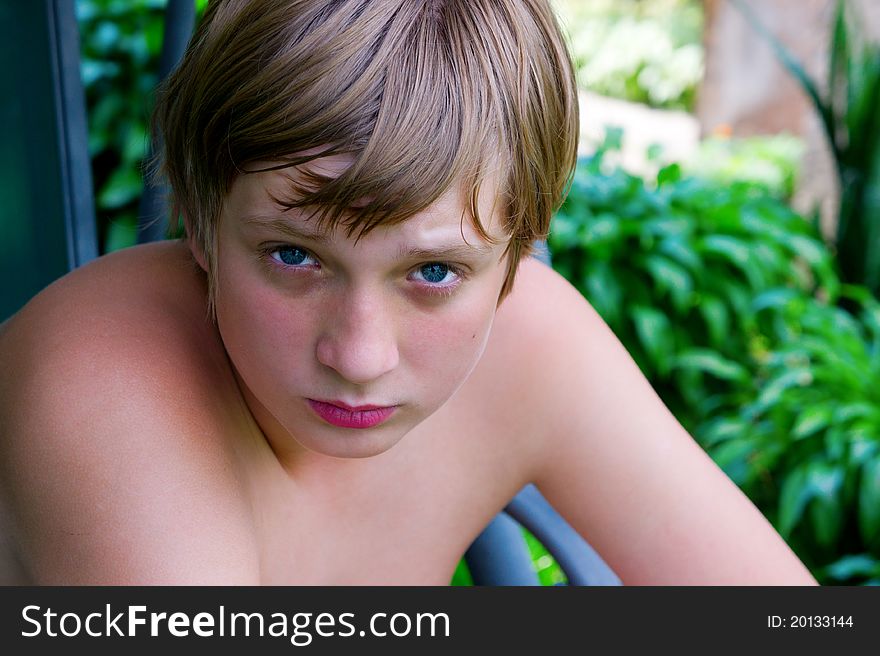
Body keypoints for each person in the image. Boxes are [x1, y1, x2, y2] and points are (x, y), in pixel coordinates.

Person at [0, 0, 817, 585]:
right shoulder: (103, 382)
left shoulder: (536, 340)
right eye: (293, 256)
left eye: (433, 274)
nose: (358, 355)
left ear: (517, 254)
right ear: (202, 220)